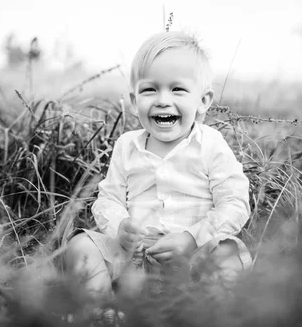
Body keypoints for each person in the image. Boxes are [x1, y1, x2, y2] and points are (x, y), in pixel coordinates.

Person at [65, 31, 252, 303]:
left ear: (203, 101)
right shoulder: (126, 145)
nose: (163, 100)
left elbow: (235, 203)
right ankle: (98, 312)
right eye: (150, 89)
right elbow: (107, 199)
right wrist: (120, 227)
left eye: (177, 89)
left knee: (228, 255)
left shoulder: (211, 144)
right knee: (80, 245)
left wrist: (192, 238)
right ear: (134, 99)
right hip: (136, 260)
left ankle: (209, 315)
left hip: (195, 256)